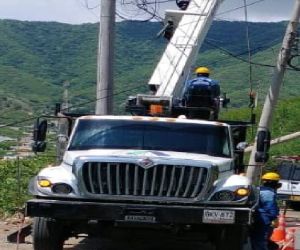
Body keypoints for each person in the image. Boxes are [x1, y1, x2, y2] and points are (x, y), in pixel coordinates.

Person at [250, 172, 282, 250]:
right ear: (273, 182)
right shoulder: (268, 193)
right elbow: (270, 208)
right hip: (264, 220)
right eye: (277, 182)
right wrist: (274, 218)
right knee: (260, 241)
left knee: (256, 239)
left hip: (256, 218)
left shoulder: (258, 189)